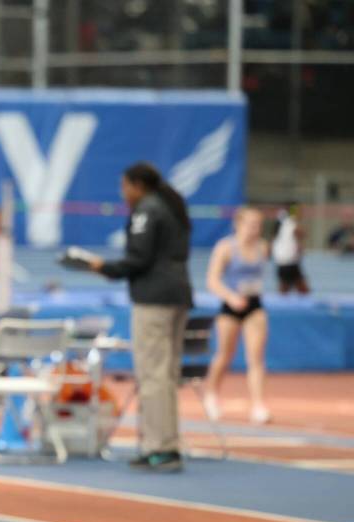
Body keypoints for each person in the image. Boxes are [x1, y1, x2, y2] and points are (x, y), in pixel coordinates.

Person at [88, 162, 193, 473]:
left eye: (125, 188)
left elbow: (138, 258)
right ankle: (166, 443)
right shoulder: (172, 207)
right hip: (177, 295)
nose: (123, 195)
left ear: (137, 185)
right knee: (166, 374)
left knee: (153, 375)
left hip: (154, 299)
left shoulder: (148, 209)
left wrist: (102, 268)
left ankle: (159, 447)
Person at [204, 207, 271, 424]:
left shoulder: (263, 247)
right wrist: (231, 297)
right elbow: (212, 281)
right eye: (251, 224)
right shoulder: (225, 248)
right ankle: (211, 393)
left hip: (254, 305)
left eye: (258, 225)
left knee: (256, 358)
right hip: (230, 307)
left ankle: (258, 404)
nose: (255, 229)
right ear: (238, 224)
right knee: (225, 355)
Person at [271, 206, 310, 294]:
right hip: (288, 262)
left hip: (285, 262)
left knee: (292, 289)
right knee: (292, 290)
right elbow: (301, 233)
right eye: (299, 211)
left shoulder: (283, 224)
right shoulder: (291, 223)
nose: (301, 214)